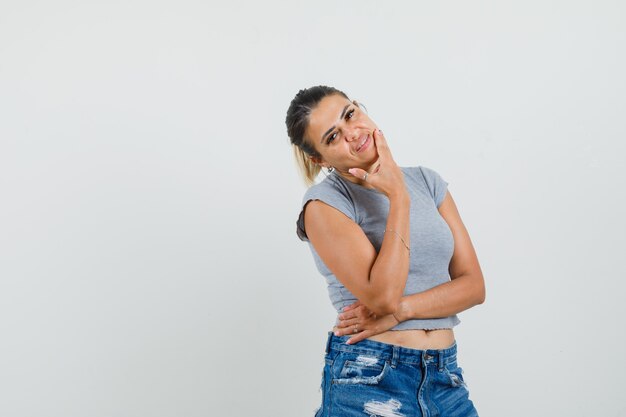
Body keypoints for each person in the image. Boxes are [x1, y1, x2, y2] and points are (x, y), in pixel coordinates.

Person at [285, 85, 485, 417]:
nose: (352, 133)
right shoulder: (325, 204)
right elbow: (383, 297)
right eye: (333, 137)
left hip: (444, 378)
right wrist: (398, 198)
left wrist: (401, 312)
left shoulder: (426, 180)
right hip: (370, 377)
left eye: (350, 114)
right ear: (318, 159)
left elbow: (473, 286)